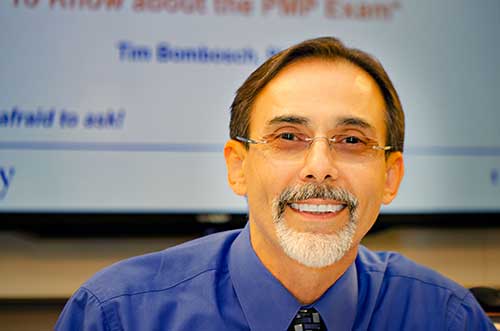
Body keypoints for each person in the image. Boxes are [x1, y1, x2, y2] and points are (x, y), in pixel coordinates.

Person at [55, 37, 495, 330]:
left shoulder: (446, 317)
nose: (319, 167)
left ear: (391, 177)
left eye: (351, 140)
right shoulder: (119, 316)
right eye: (288, 137)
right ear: (238, 167)